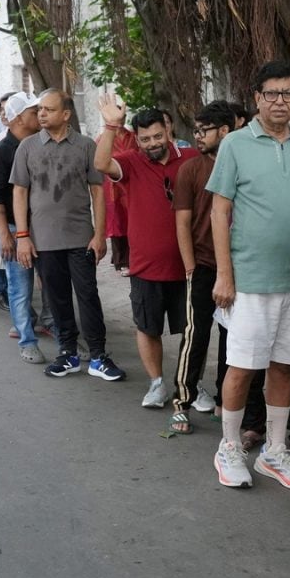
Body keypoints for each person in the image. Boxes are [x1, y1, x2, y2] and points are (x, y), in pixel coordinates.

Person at [207, 59, 290, 491]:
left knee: (285, 367)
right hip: (250, 282)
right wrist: (224, 275)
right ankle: (229, 447)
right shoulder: (235, 145)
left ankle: (274, 452)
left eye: (287, 93)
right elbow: (219, 212)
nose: (280, 101)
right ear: (257, 98)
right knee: (242, 368)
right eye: (271, 93)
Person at [11, 89, 125, 382]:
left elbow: (98, 192)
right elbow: (19, 192)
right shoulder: (27, 147)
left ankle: (98, 356)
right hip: (43, 239)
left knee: (88, 295)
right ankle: (68, 354)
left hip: (81, 237)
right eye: (40, 110)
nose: (41, 114)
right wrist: (22, 236)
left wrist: (100, 234)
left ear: (66, 114)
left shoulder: (85, 146)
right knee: (56, 298)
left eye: (48, 109)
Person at [94, 99, 200, 407]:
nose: (152, 143)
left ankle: (191, 385)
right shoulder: (130, 162)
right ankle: (157, 384)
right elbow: (101, 164)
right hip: (145, 266)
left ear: (168, 130)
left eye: (157, 136)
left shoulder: (191, 158)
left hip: (189, 266)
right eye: (145, 139)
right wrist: (111, 126)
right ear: (137, 140)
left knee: (192, 331)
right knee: (147, 328)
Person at [167, 101, 237, 434]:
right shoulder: (191, 169)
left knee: (232, 338)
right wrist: (190, 268)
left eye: (204, 130)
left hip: (239, 267)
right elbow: (182, 222)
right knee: (195, 335)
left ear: (224, 130)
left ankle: (225, 400)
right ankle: (182, 402)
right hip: (203, 266)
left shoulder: (241, 165)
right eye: (195, 130)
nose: (197, 136)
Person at [0, 91, 45, 363]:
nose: (40, 116)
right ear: (19, 118)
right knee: (20, 287)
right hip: (12, 227)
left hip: (43, 227)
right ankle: (27, 341)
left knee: (51, 284)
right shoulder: (1, 152)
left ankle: (60, 333)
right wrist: (5, 234)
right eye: (34, 112)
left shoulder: (39, 144)